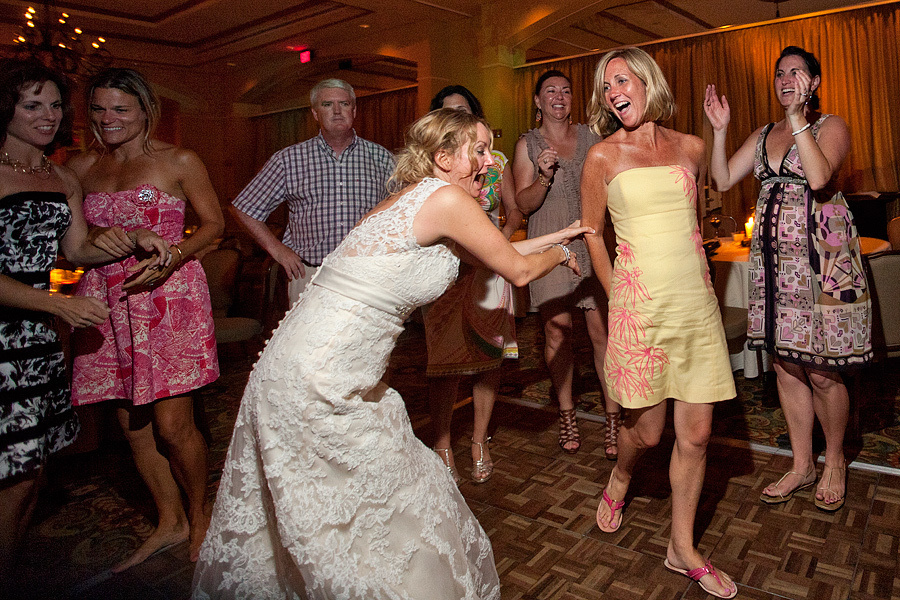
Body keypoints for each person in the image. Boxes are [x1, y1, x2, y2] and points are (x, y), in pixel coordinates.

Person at [192, 109, 592, 599]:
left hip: (299, 366)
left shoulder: (415, 198)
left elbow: (497, 251)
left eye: (492, 149)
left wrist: (561, 233)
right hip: (321, 379)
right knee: (390, 501)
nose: (492, 162)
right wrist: (566, 255)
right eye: (480, 151)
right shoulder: (446, 199)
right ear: (444, 158)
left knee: (361, 508)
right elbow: (520, 271)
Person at [0, 59, 167, 590]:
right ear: (6, 106)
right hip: (7, 335)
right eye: (32, 104)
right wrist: (59, 305)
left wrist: (134, 235)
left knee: (32, 469)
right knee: (12, 471)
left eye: (54, 105)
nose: (48, 116)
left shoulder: (61, 176)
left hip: (42, 341)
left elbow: (76, 251)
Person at [582, 47, 737, 599]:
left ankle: (682, 547)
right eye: (605, 86)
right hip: (638, 309)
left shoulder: (690, 147)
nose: (611, 92)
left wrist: (720, 133)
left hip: (693, 308)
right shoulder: (601, 156)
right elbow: (593, 233)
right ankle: (622, 475)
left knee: (695, 434)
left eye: (620, 79)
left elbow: (697, 228)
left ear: (647, 82)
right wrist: (616, 292)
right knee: (646, 431)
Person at [68, 67, 224, 571]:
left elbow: (214, 226)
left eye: (120, 109)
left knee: (174, 425)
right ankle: (169, 519)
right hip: (107, 300)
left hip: (168, 298)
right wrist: (95, 245)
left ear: (144, 110)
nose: (107, 119)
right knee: (131, 425)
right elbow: (71, 243)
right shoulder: (82, 166)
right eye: (97, 108)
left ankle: (200, 516)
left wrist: (172, 259)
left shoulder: (179, 159)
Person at [705, 46, 871, 512]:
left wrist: (798, 118)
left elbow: (818, 177)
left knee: (821, 370)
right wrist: (719, 133)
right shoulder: (762, 134)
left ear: (814, 83)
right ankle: (802, 464)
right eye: (780, 73)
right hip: (776, 267)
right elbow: (721, 179)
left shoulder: (829, 125)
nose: (785, 79)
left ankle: (834, 458)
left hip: (823, 264)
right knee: (786, 364)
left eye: (796, 72)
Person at [513, 70, 617, 457]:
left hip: (593, 248)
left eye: (566, 90)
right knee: (557, 334)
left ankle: (613, 418)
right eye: (550, 91)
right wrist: (542, 175)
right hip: (549, 248)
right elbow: (523, 205)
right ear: (538, 102)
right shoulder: (528, 143)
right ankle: (567, 412)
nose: (559, 96)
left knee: (602, 335)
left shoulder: (592, 137)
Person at [424, 85, 524, 484]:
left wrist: (504, 236)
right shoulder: (432, 178)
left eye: (464, 113)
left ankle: (480, 439)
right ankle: (442, 443)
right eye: (449, 117)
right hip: (445, 270)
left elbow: (513, 208)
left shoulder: (494, 161)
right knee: (444, 363)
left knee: (489, 359)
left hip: (490, 269)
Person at [231, 78, 395, 305]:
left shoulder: (382, 158)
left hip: (367, 277)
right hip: (309, 277)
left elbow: (403, 215)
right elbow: (245, 208)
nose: (337, 111)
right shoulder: (288, 160)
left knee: (370, 342)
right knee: (307, 341)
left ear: (354, 110)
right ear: (315, 113)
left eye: (344, 104)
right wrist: (277, 249)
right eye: (327, 105)